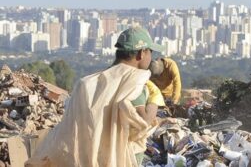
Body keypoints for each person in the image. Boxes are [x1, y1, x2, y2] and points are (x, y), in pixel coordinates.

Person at [26, 27, 164, 167]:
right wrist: (154, 99)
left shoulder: (87, 83)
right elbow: (143, 122)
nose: (151, 57)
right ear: (141, 53)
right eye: (150, 52)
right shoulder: (134, 81)